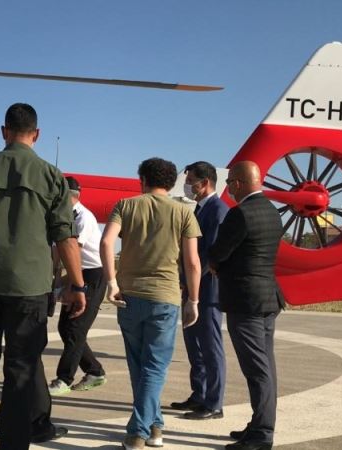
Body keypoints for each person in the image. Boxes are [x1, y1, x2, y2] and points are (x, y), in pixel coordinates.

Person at [0, 103, 86, 450]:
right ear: (36, 134)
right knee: (21, 370)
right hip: (29, 289)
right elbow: (66, 238)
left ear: (4, 131)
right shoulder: (52, 177)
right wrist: (77, 285)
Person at [100, 157, 201, 450]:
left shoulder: (125, 205)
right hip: (165, 298)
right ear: (171, 183)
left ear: (142, 179)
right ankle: (139, 432)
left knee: (138, 366)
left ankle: (154, 426)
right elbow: (192, 262)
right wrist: (193, 300)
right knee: (154, 367)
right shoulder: (183, 212)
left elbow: (106, 243)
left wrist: (111, 282)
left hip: (129, 296)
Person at [208, 161, 285, 450]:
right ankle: (259, 423)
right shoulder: (272, 211)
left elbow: (219, 252)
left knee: (256, 369)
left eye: (229, 182)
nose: (228, 187)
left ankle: (262, 433)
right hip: (268, 297)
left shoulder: (240, 213)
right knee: (266, 366)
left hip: (245, 301)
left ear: (238, 183)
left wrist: (216, 265)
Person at [170, 161, 229, 419]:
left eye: (190, 181)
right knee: (194, 344)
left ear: (204, 183)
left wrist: (189, 280)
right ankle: (199, 394)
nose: (187, 186)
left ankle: (214, 403)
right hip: (193, 287)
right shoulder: (199, 209)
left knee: (211, 346)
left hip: (207, 290)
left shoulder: (217, 211)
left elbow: (210, 255)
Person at [48, 176, 108, 396]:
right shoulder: (64, 215)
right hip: (78, 274)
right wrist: (56, 278)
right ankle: (95, 371)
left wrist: (72, 285)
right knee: (66, 328)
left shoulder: (83, 217)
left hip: (91, 276)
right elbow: (58, 249)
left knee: (75, 328)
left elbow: (73, 249)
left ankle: (64, 379)